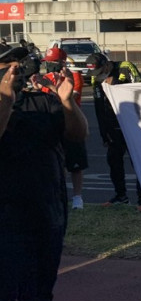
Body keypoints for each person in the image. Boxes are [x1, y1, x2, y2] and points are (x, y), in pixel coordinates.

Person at [0, 45, 88, 301]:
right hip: (4, 225)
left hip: (45, 216)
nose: (14, 71)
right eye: (6, 66)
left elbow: (77, 134)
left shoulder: (43, 102)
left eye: (17, 65)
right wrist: (6, 101)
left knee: (37, 296)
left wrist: (66, 102)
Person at [85, 52, 141, 211]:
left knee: (139, 163)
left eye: (100, 71)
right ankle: (121, 196)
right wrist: (103, 133)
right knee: (113, 161)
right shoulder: (95, 77)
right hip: (112, 127)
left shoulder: (125, 68)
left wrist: (116, 87)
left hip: (134, 125)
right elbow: (99, 106)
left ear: (106, 65)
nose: (98, 76)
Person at [39, 47, 88, 210]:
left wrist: (51, 88)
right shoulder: (45, 77)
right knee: (54, 161)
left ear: (62, 62)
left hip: (72, 121)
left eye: (53, 62)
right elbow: (44, 100)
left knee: (75, 162)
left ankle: (77, 197)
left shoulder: (74, 76)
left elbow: (68, 98)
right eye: (48, 62)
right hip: (53, 122)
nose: (50, 65)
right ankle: (57, 194)